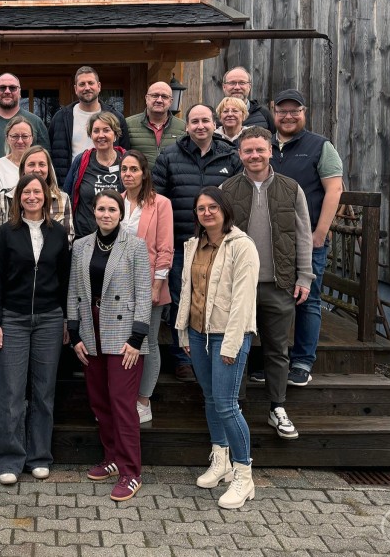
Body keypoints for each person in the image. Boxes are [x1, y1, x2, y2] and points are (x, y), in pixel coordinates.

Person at [221, 127, 314, 440]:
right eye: (248, 151)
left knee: (276, 349)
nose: (254, 156)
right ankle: (237, 408)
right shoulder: (228, 189)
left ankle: (277, 407)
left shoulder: (291, 189)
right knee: (238, 348)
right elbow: (219, 239)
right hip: (238, 287)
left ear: (271, 151)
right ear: (240, 154)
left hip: (279, 283)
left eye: (260, 150)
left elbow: (302, 235)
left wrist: (305, 275)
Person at [175, 186, 259, 509]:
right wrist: (183, 333)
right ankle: (220, 459)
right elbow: (187, 291)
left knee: (227, 405)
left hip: (228, 335)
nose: (207, 213)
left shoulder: (242, 246)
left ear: (224, 210)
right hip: (198, 334)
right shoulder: (193, 245)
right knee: (210, 398)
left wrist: (233, 343)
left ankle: (244, 474)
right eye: (201, 209)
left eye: (213, 207)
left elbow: (243, 300)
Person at [67, 189, 152, 502]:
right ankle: (113, 458)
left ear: (121, 213)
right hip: (91, 332)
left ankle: (131, 472)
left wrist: (136, 339)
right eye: (101, 209)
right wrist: (74, 334)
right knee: (100, 402)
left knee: (121, 404)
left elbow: (144, 294)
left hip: (124, 337)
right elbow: (75, 291)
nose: (106, 214)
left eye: (112, 210)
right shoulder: (81, 246)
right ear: (93, 212)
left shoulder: (135, 246)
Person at [0, 174, 71, 485]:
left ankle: (39, 457)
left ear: (47, 197)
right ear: (18, 198)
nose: (32, 197)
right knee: (10, 392)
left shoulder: (59, 233)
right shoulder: (8, 233)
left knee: (43, 391)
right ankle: (9, 458)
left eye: (38, 191)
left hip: (49, 319)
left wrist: (65, 320)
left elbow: (64, 279)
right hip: (13, 319)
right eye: (27, 192)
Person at [151, 104, 242, 382]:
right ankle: (183, 358)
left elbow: (238, 200)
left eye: (205, 121)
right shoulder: (168, 156)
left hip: (220, 244)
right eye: (194, 121)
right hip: (182, 243)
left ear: (213, 124)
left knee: (216, 299)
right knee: (182, 300)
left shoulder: (230, 156)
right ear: (186, 126)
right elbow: (157, 200)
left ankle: (216, 353)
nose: (200, 126)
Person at [269, 89, 344, 386]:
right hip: (270, 239)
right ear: (274, 113)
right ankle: (272, 361)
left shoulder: (320, 146)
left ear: (304, 113)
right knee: (270, 300)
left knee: (308, 299)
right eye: (282, 111)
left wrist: (319, 234)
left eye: (294, 111)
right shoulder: (264, 144)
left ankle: (301, 360)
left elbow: (334, 190)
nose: (288, 117)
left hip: (306, 238)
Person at [0, 146, 74, 380]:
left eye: (42, 164)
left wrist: (65, 316)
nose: (32, 197)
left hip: (48, 310)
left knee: (45, 384)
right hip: (14, 305)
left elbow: (65, 264)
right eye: (31, 165)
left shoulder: (59, 220)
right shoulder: (6, 221)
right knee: (11, 386)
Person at [120, 150, 174, 424]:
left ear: (144, 173)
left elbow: (165, 248)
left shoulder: (160, 204)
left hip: (149, 284)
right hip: (119, 288)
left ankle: (143, 401)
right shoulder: (116, 203)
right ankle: (123, 397)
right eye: (124, 169)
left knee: (147, 343)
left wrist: (156, 286)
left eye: (133, 169)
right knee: (123, 343)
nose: (128, 174)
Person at [48, 66, 130, 184]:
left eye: (91, 83)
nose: (87, 88)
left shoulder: (116, 118)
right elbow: (50, 154)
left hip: (109, 183)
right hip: (71, 185)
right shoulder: (60, 118)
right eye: (82, 84)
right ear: (76, 89)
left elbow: (125, 152)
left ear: (99, 86)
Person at [63, 111, 126, 239]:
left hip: (119, 237)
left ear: (115, 134)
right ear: (90, 134)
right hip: (84, 236)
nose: (101, 135)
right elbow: (66, 195)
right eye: (96, 131)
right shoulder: (81, 161)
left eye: (106, 130)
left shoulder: (126, 161)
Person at [0, 72, 50, 169]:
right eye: (2, 88)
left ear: (19, 92)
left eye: (12, 88)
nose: (7, 91)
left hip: (28, 183)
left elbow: (46, 161)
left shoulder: (36, 122)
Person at [126, 81, 187, 167]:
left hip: (171, 180)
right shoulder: (128, 124)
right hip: (141, 179)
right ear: (146, 98)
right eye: (155, 96)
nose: (159, 100)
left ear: (171, 101)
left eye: (164, 97)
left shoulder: (183, 127)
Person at [0, 115, 34, 206]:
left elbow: (52, 194)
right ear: (7, 139)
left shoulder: (41, 165)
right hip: (7, 219)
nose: (20, 141)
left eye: (25, 136)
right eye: (15, 136)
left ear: (31, 139)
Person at [221, 66, 275, 132]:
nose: (237, 87)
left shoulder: (264, 114)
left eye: (242, 83)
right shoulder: (215, 117)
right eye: (232, 83)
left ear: (249, 87)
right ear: (224, 87)